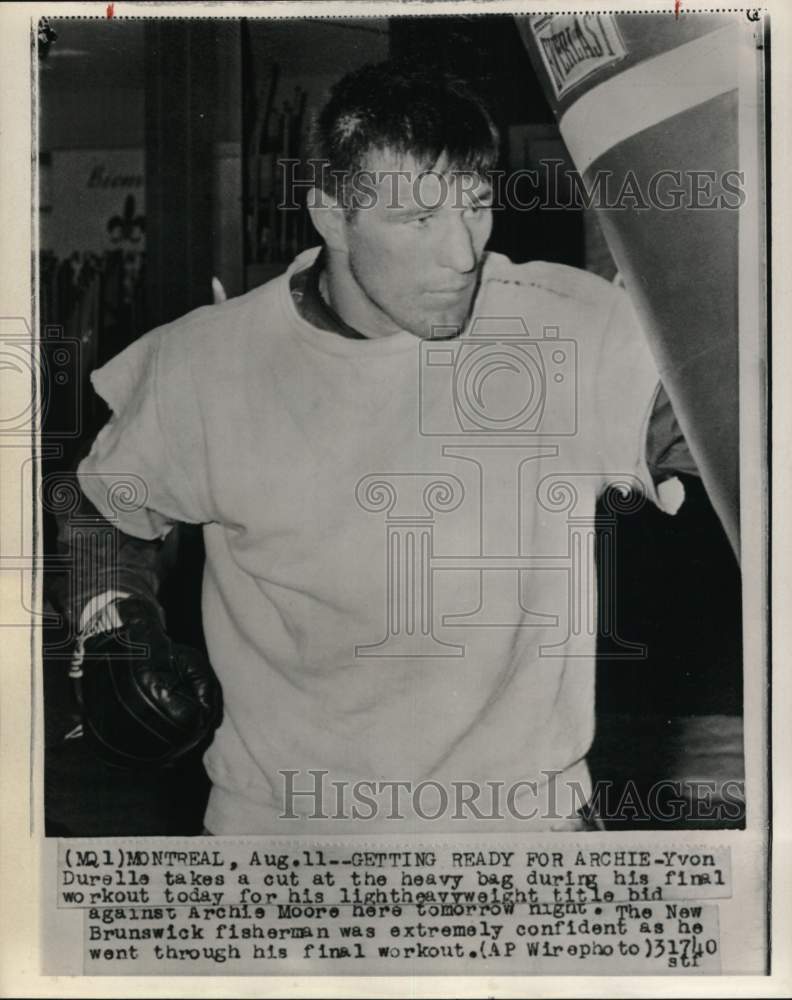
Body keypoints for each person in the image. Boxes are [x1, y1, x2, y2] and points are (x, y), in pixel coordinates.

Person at [58, 60, 694, 835]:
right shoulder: (207, 363)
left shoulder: (572, 327)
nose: (461, 253)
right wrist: (112, 625)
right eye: (418, 221)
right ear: (330, 213)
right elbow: (99, 511)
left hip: (521, 840)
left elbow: (722, 440)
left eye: (476, 207)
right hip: (284, 841)